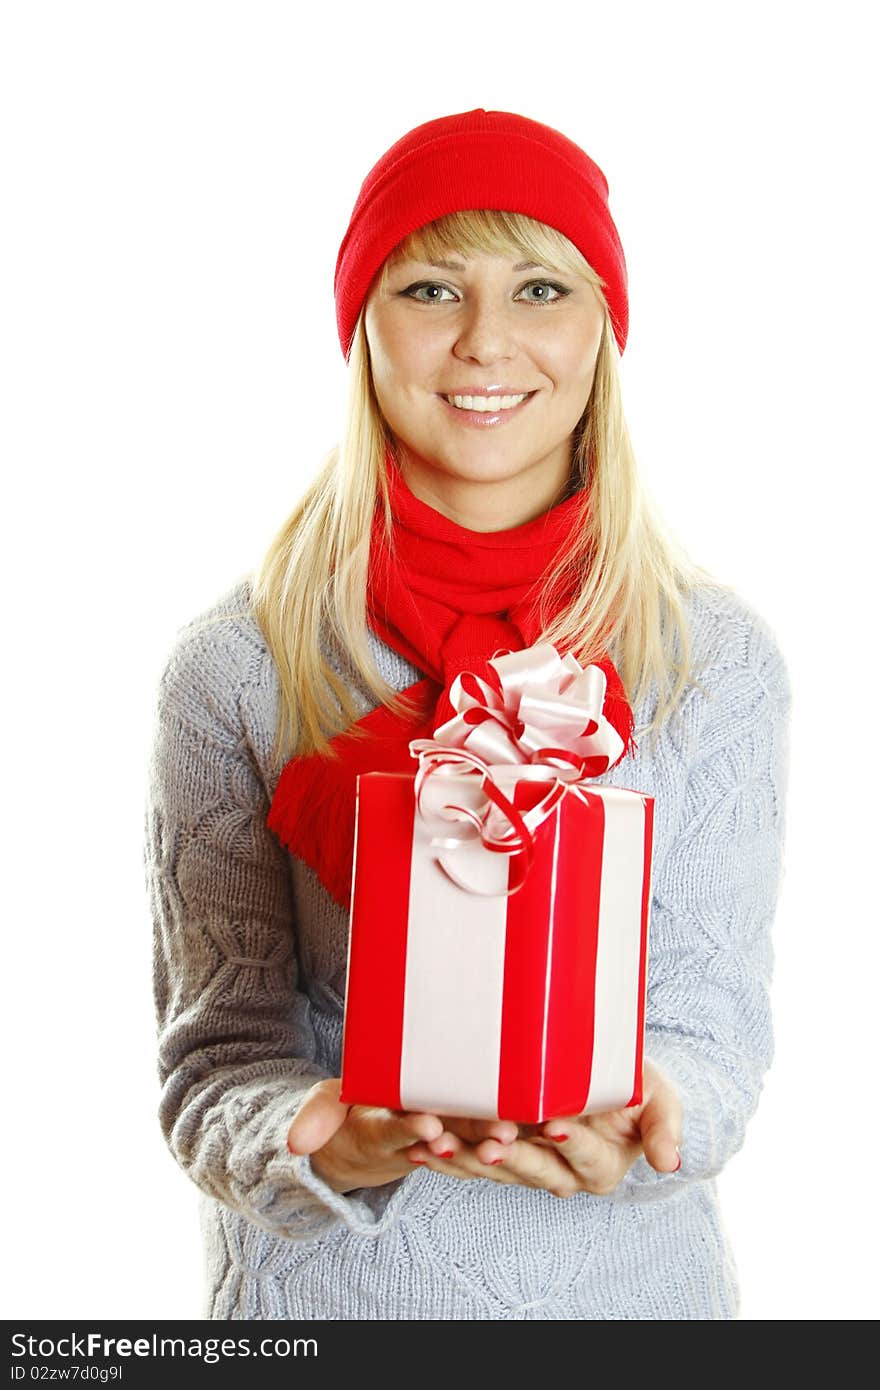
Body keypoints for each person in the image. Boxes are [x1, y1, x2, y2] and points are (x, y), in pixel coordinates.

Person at [144, 108, 791, 1321]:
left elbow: (716, 1029)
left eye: (540, 287)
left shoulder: (714, 662)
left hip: (634, 1306)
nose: (486, 343)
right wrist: (318, 1134)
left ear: (603, 326)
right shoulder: (238, 667)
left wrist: (654, 1110)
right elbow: (213, 1060)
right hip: (323, 1311)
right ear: (362, 329)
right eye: (431, 288)